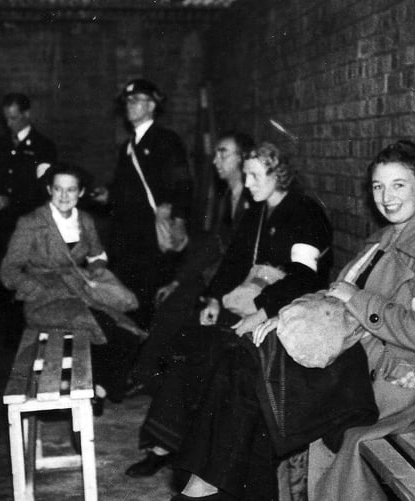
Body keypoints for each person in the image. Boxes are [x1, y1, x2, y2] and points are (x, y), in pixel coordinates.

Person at [125, 141, 334, 482]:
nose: (247, 183)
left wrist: (263, 311)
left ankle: (195, 460)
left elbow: (303, 276)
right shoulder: (257, 212)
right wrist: (212, 299)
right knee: (186, 341)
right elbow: (233, 262)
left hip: (286, 315)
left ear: (277, 173)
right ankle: (164, 445)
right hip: (249, 306)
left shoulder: (303, 212)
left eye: (254, 175)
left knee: (212, 355)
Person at [300, 141, 415, 500]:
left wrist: (356, 299)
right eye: (378, 186)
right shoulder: (388, 235)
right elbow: (338, 292)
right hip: (366, 362)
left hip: (403, 376)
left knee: (320, 419)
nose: (386, 197)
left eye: (398, 185)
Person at [0, 163, 145, 410]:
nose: (64, 196)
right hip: (46, 301)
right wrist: (34, 288)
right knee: (103, 328)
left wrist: (97, 269)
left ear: (80, 193)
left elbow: (98, 254)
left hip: (81, 292)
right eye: (58, 189)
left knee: (128, 332)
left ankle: (99, 388)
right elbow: (8, 271)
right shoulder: (31, 223)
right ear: (49, 189)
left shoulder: (85, 220)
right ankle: (94, 391)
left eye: (71, 190)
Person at [128, 131, 254, 393]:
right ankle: (146, 375)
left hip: (239, 282)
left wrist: (213, 292)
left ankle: (153, 378)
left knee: (183, 310)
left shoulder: (252, 201)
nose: (215, 160)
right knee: (171, 299)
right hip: (219, 277)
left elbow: (240, 258)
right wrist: (177, 280)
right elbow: (212, 247)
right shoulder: (228, 199)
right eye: (216, 152)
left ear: (243, 159)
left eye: (223, 153)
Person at [92, 79, 193, 331]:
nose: (129, 105)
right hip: (127, 240)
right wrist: (107, 194)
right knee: (128, 303)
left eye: (135, 100)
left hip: (151, 241)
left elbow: (183, 185)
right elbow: (123, 189)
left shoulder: (166, 140)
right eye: (127, 100)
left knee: (150, 301)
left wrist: (177, 221)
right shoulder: (128, 145)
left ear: (151, 106)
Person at [0, 92, 58, 252]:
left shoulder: (44, 147)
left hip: (26, 227)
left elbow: (46, 190)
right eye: (6, 119)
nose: (9, 124)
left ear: (27, 114)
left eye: (14, 118)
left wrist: (12, 200)